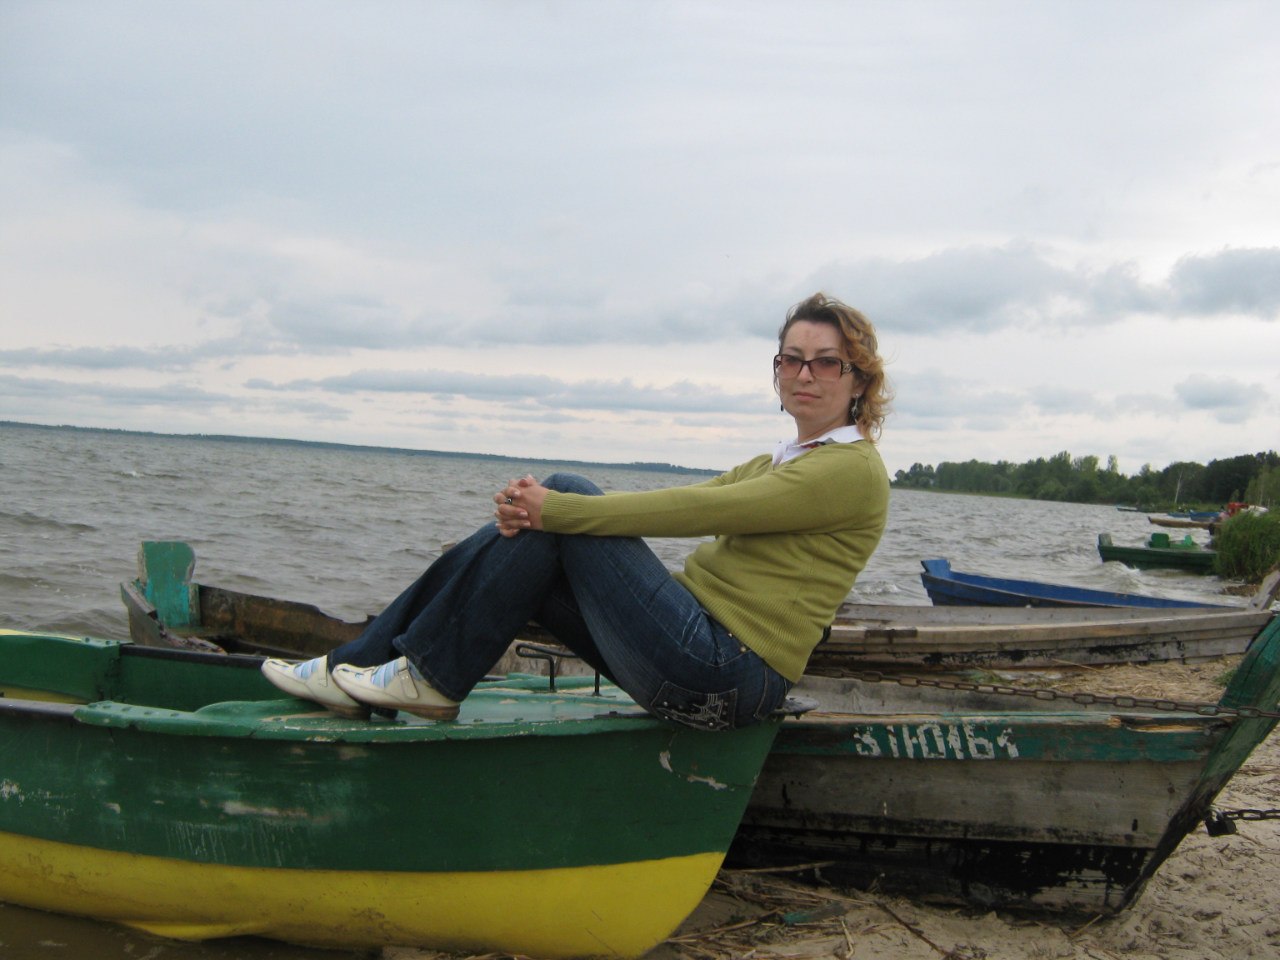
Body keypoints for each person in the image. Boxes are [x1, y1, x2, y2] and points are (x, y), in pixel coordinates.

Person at [262, 292, 891, 729]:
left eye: (825, 362)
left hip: (726, 675)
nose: (803, 374)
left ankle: (422, 677)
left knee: (563, 500)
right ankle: (359, 668)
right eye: (790, 359)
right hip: (697, 658)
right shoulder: (777, 461)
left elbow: (695, 508)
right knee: (534, 538)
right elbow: (694, 501)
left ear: (859, 380)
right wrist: (536, 513)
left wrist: (557, 506)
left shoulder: (850, 470)